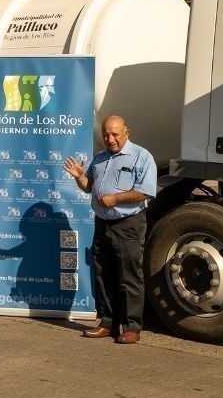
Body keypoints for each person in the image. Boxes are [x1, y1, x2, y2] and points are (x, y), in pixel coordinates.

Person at [63, 115, 156, 344]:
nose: (110, 139)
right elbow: (90, 188)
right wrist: (79, 177)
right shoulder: (101, 158)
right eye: (106, 134)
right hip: (102, 222)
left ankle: (132, 326)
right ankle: (108, 322)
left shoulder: (141, 156)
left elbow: (145, 191)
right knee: (103, 274)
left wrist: (116, 199)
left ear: (127, 132)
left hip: (128, 224)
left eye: (115, 134)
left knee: (129, 276)